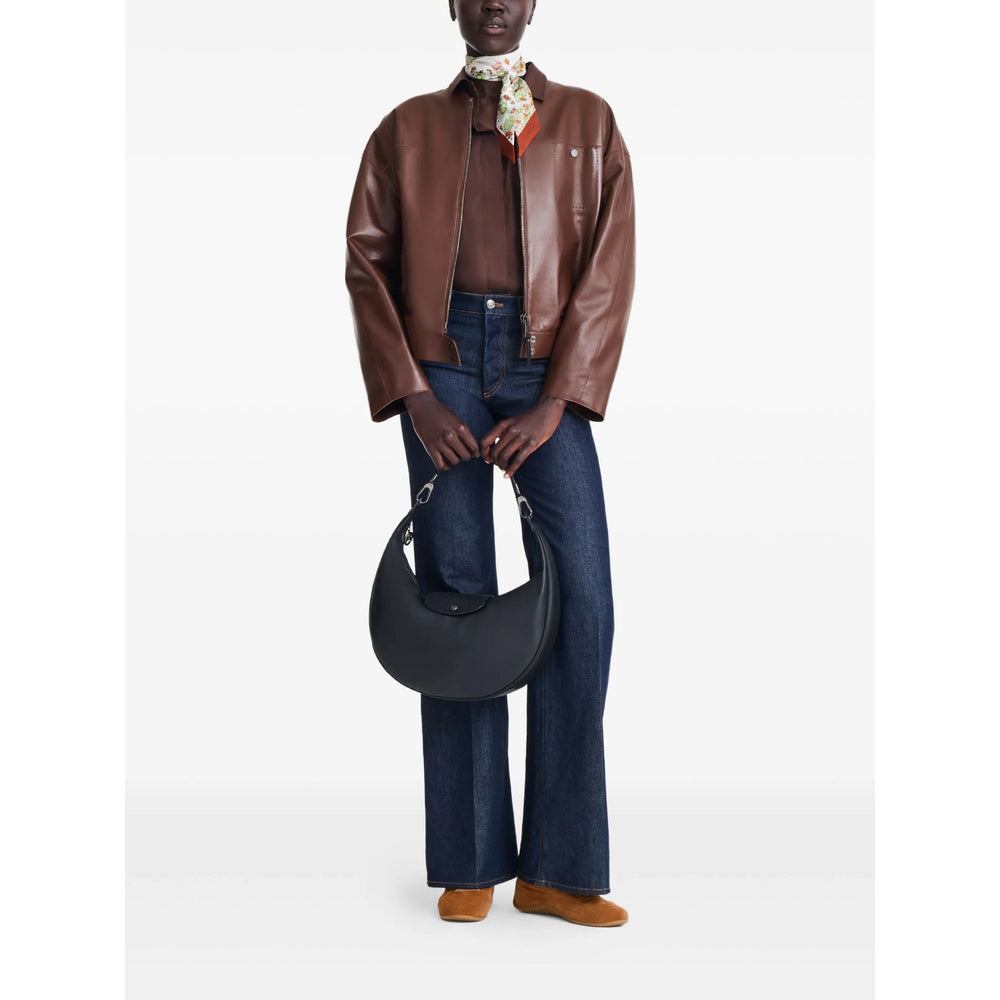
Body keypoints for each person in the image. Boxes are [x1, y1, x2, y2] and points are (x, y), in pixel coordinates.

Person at [345, 0, 635, 926]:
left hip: (547, 365)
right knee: (457, 597)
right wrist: (414, 394)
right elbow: (366, 263)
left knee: (581, 600)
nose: (494, 3)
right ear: (453, 4)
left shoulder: (588, 120)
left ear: (533, 3)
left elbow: (608, 268)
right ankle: (470, 858)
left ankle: (560, 869)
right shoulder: (405, 130)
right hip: (441, 362)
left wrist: (560, 399)